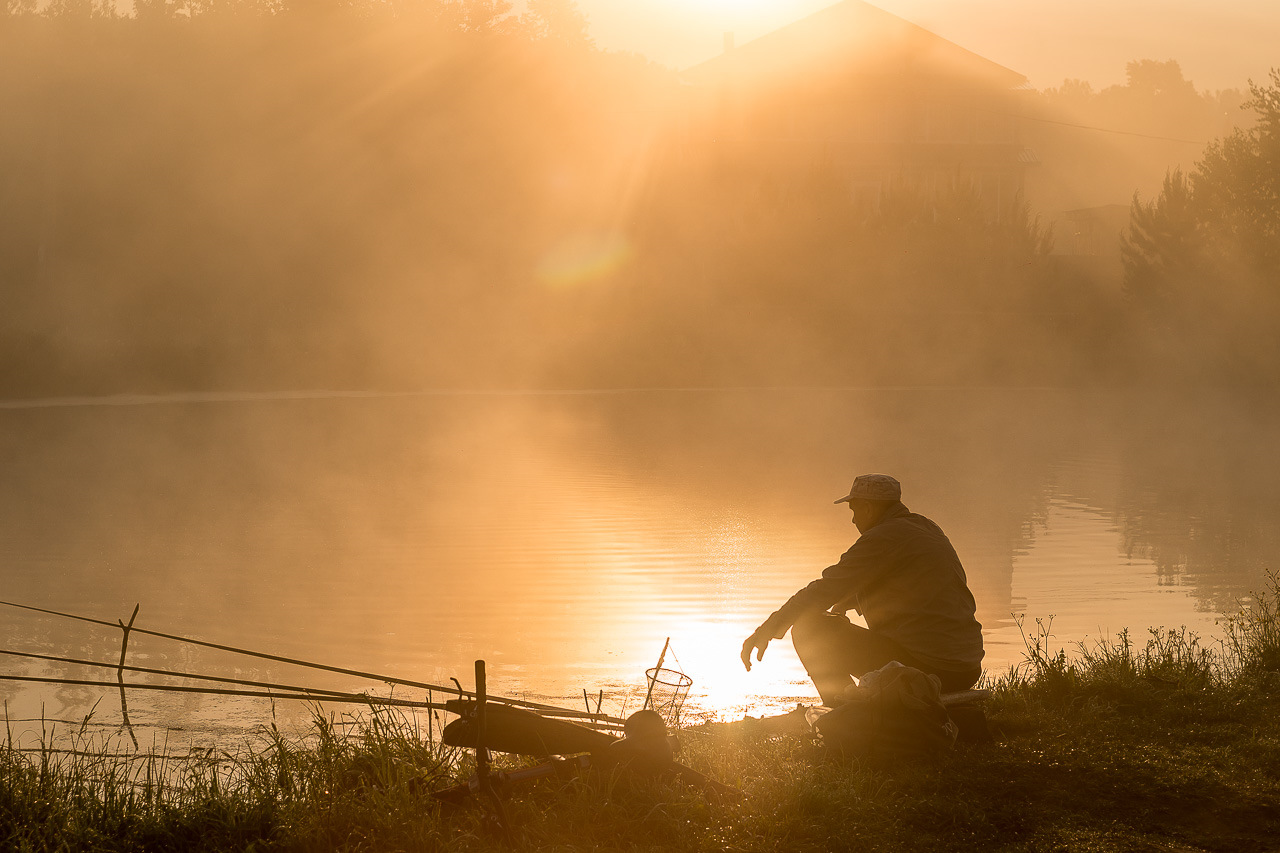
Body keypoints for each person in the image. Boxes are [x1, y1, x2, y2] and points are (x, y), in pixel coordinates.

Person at [740, 474, 983, 705]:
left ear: (868, 508)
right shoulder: (925, 527)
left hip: (928, 669)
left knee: (808, 628)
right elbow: (909, 584)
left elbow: (822, 590)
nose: (853, 520)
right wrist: (849, 599)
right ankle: (857, 706)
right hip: (964, 669)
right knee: (824, 620)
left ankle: (844, 715)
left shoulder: (882, 537)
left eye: (854, 510)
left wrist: (767, 629)